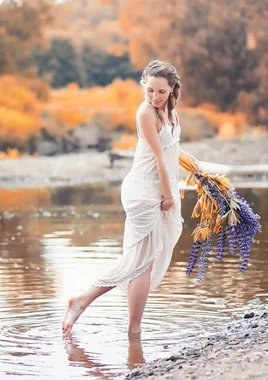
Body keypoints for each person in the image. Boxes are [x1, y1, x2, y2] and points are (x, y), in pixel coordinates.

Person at [62, 60, 201, 337]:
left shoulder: (171, 114)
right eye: (149, 90)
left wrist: (195, 170)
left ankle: (103, 313)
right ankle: (128, 329)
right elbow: (159, 158)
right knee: (141, 261)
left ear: (173, 89)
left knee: (144, 260)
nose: (154, 97)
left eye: (161, 92)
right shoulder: (145, 113)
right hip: (143, 191)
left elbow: (171, 151)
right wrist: (168, 195)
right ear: (143, 87)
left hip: (161, 185)